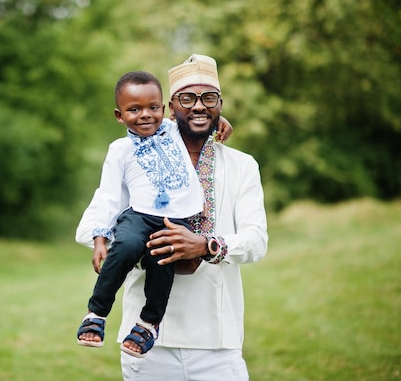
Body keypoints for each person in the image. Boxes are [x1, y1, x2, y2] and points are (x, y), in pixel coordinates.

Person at [75, 54, 268, 380]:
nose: (198, 107)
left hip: (217, 342)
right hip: (146, 349)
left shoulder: (241, 165)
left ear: (221, 104)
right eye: (187, 99)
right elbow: (90, 226)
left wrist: (205, 245)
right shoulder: (136, 154)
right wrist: (144, 246)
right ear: (172, 107)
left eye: (209, 99)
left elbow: (256, 241)